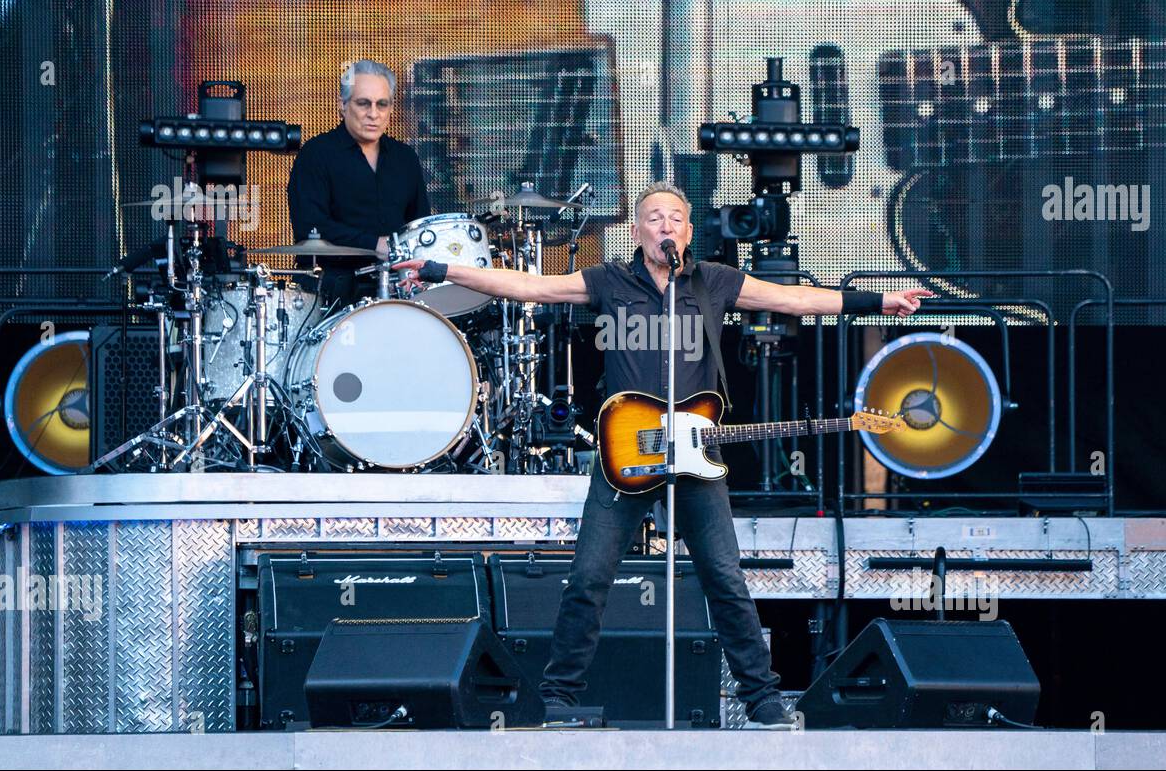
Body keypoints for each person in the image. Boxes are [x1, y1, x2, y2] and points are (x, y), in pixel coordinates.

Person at [394, 180, 935, 726]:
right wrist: (444, 271)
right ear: (637, 231)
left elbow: (795, 298)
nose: (666, 227)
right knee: (588, 579)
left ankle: (764, 701)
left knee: (725, 577)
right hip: (624, 453)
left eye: (675, 218)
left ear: (689, 231)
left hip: (695, 455)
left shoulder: (714, 282)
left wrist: (881, 299)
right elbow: (531, 288)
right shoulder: (608, 280)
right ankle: (558, 698)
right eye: (654, 218)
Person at [287, 59, 431, 307]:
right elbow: (309, 226)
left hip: (397, 289)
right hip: (332, 293)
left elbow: (419, 224)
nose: (373, 114)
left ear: (391, 108)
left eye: (382, 104)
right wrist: (374, 244)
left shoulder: (405, 158)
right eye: (363, 103)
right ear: (342, 105)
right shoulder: (316, 154)